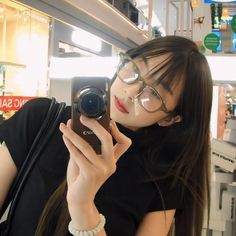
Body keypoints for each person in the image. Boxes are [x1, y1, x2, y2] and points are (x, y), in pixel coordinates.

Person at [0, 35, 213, 236]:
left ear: (170, 118)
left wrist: (83, 207)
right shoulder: (40, 118)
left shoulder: (164, 180)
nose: (130, 92)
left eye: (154, 93)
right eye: (135, 69)